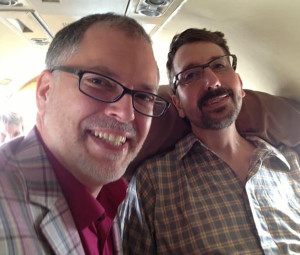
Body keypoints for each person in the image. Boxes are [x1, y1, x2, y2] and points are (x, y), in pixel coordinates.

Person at [0, 13, 170, 255]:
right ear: (45, 92)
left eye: (143, 97)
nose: (126, 113)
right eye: (99, 82)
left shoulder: (117, 199)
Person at [119, 28, 300, 254]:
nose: (212, 82)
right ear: (178, 104)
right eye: (191, 75)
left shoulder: (290, 164)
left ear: (240, 85)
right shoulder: (152, 183)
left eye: (219, 66)